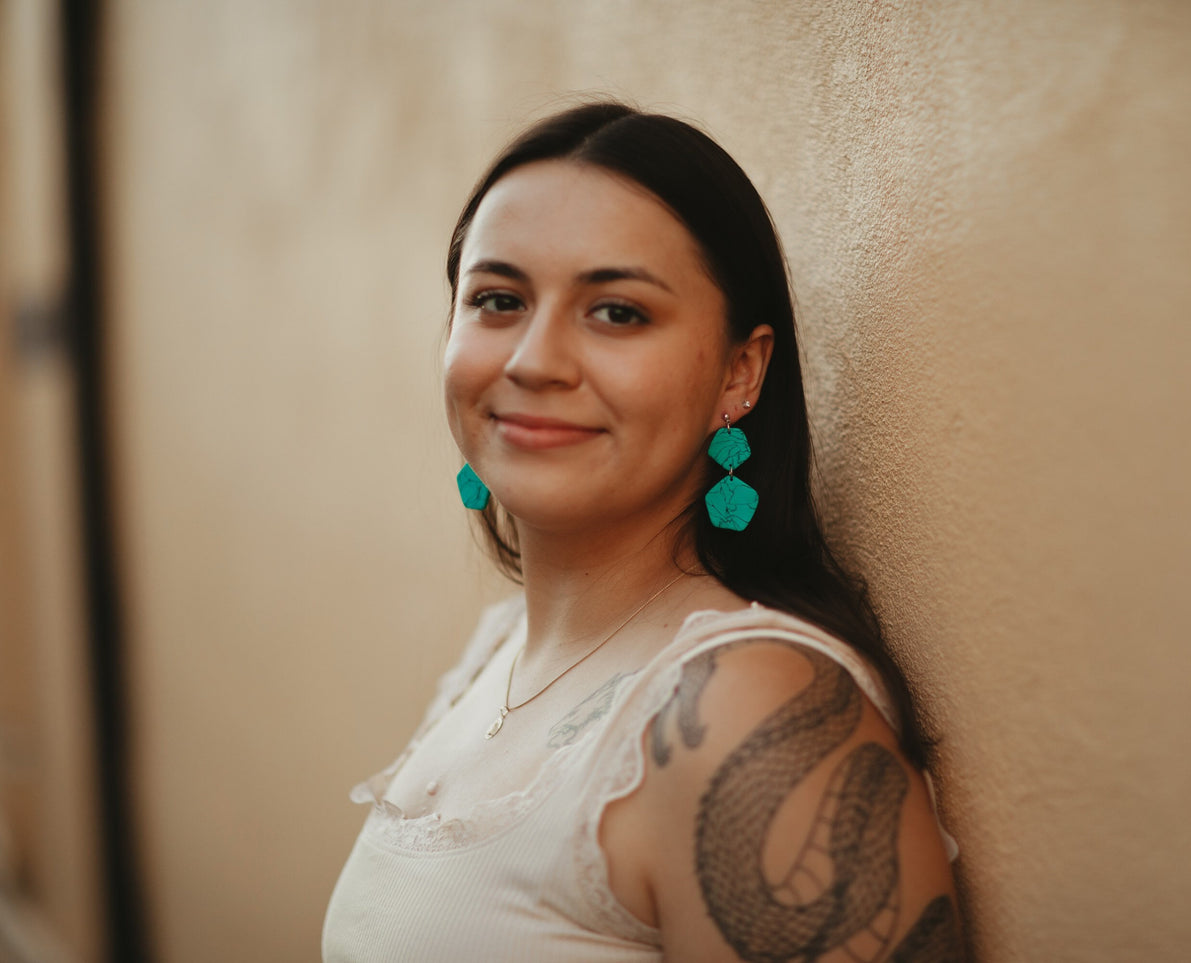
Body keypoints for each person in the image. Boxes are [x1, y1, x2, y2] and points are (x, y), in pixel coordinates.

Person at [322, 100, 963, 962]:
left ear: (741, 371)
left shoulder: (746, 706)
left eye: (617, 312)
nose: (532, 361)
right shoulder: (496, 653)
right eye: (498, 299)